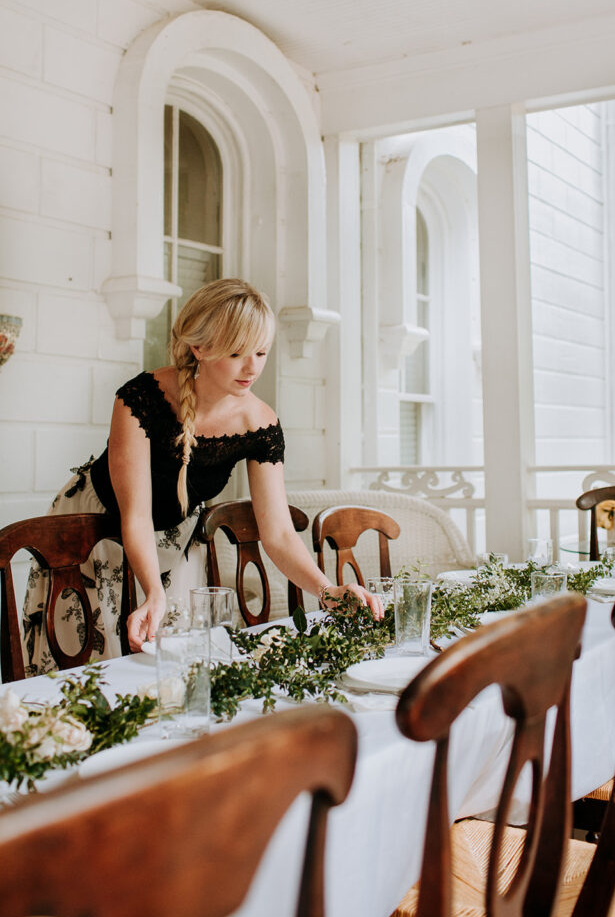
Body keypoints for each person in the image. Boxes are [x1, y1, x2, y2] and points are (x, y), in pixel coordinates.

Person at [22, 278, 383, 676]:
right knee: (88, 668)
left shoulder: (260, 424)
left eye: (261, 352)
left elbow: (278, 533)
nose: (252, 367)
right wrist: (153, 591)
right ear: (200, 348)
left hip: (174, 542)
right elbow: (136, 515)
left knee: (173, 669)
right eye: (237, 352)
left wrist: (328, 590)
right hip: (95, 530)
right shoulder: (142, 398)